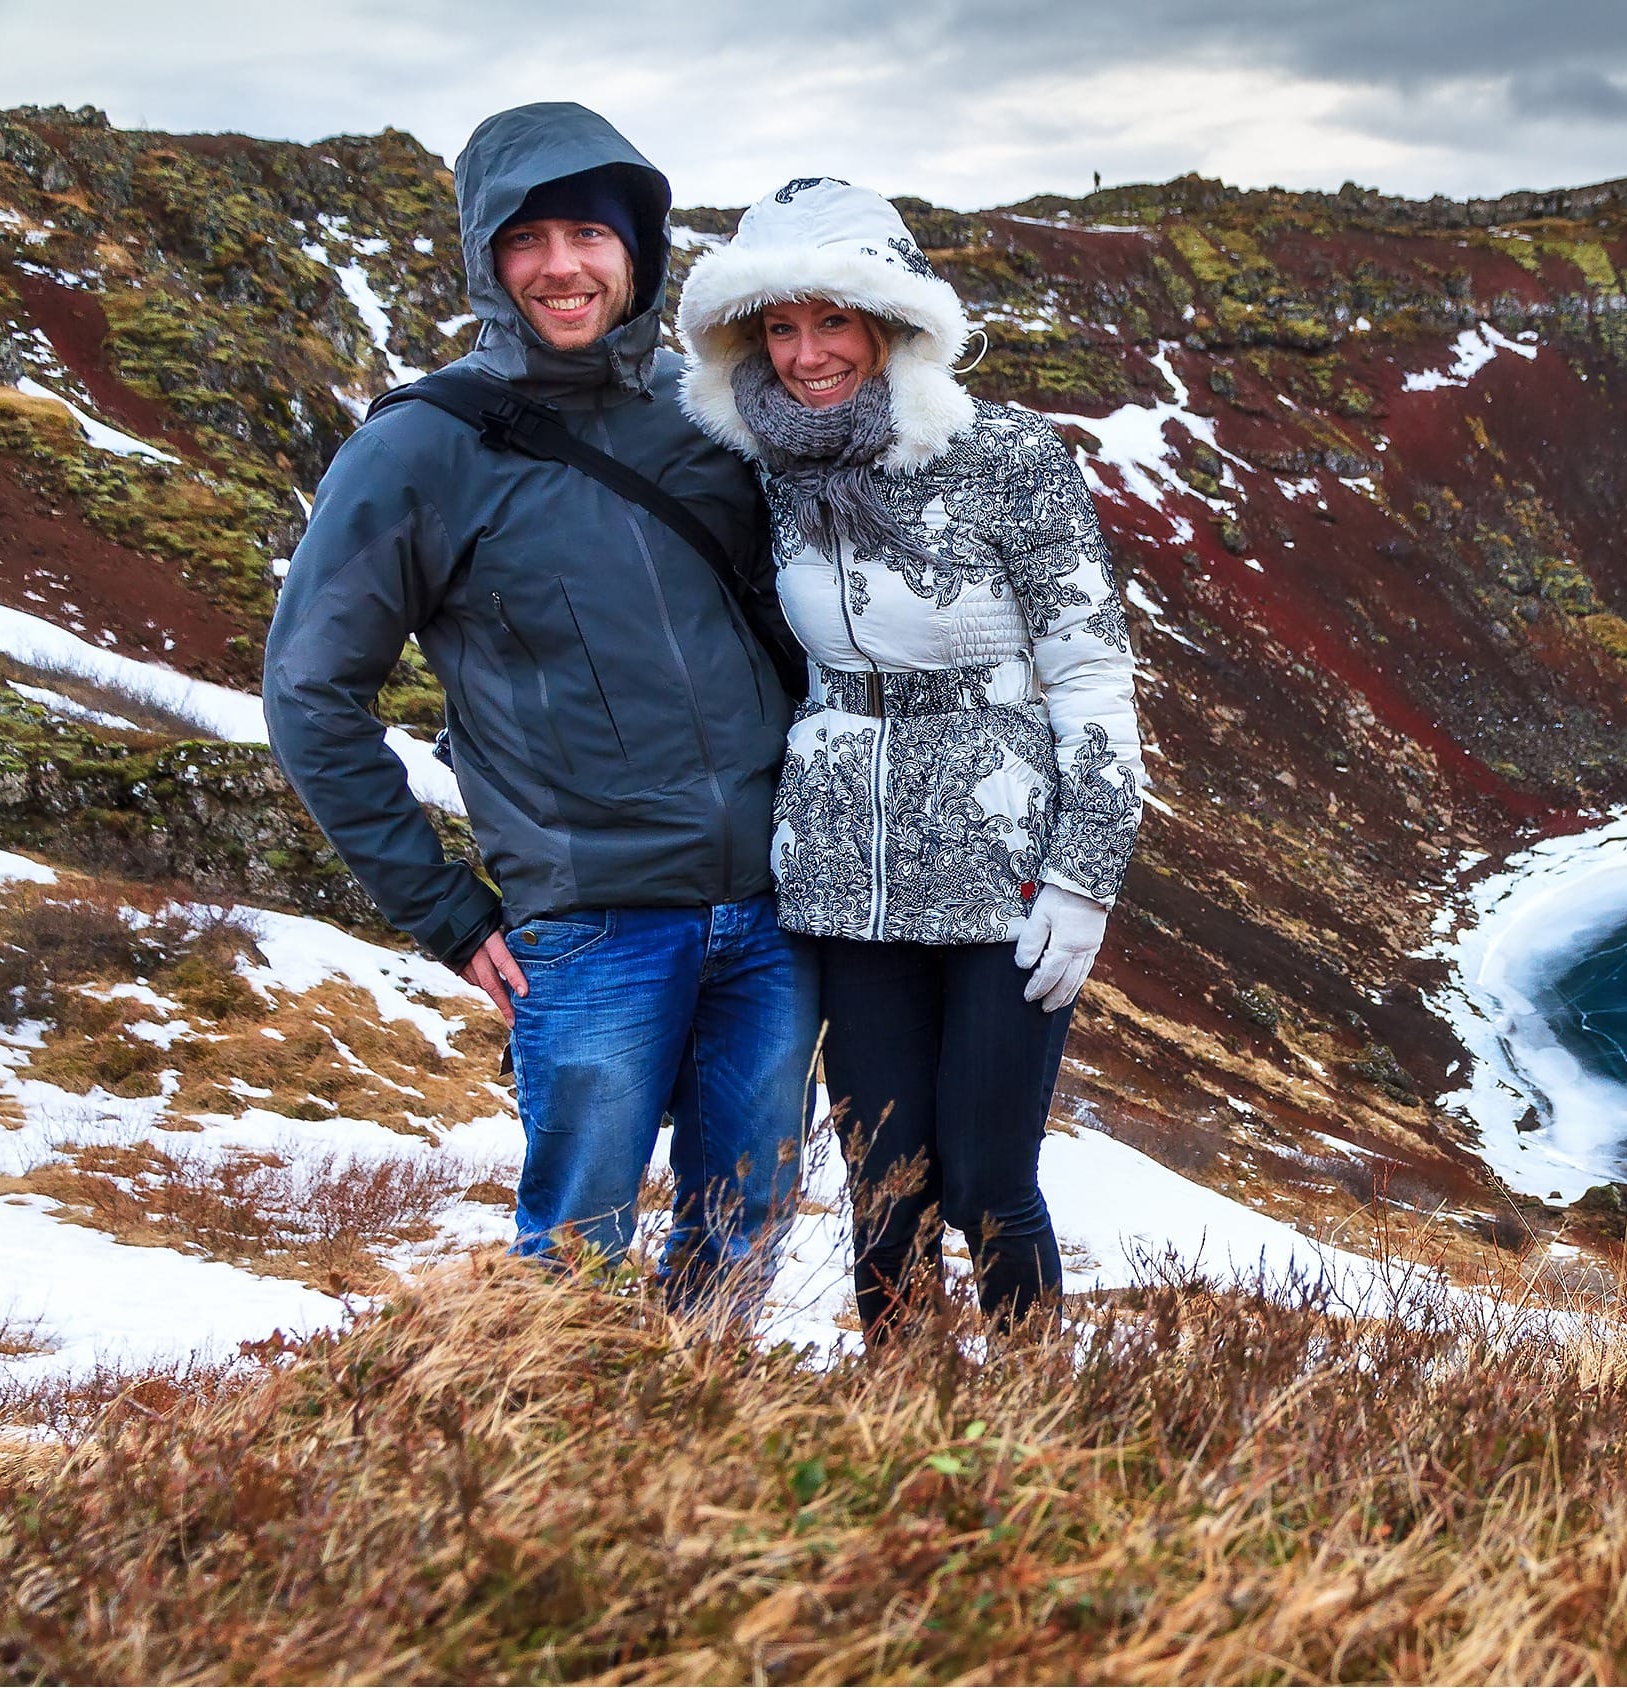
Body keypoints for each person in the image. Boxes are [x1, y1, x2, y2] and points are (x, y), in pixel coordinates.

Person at [262, 103, 811, 1316]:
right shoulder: (420, 448)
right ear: (485, 257)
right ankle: (559, 1430)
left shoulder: (707, 411)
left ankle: (707, 1424)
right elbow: (307, 691)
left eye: (589, 234)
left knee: (751, 1218)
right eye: (527, 239)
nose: (562, 266)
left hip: (775, 911)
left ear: (637, 249)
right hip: (592, 923)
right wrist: (450, 914)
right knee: (575, 1256)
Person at [676, 177, 1143, 1337]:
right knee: (886, 1192)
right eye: (779, 327)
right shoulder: (765, 466)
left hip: (1004, 864)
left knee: (987, 1180)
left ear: (892, 320)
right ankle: (902, 1411)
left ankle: (1038, 1415)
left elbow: (1092, 674)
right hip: (844, 874)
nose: (807, 355)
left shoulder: (1009, 454)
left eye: (833, 320)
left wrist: (1086, 875)